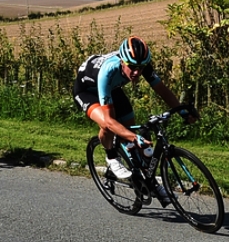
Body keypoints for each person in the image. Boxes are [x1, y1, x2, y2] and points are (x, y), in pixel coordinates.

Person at [73, 36, 194, 180]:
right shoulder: (108, 71)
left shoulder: (141, 64)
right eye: (132, 67)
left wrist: (183, 112)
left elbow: (162, 90)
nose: (137, 72)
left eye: (140, 68)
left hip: (112, 88)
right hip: (87, 91)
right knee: (107, 125)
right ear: (122, 61)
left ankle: (143, 179)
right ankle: (111, 158)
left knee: (129, 130)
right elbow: (109, 121)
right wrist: (134, 137)